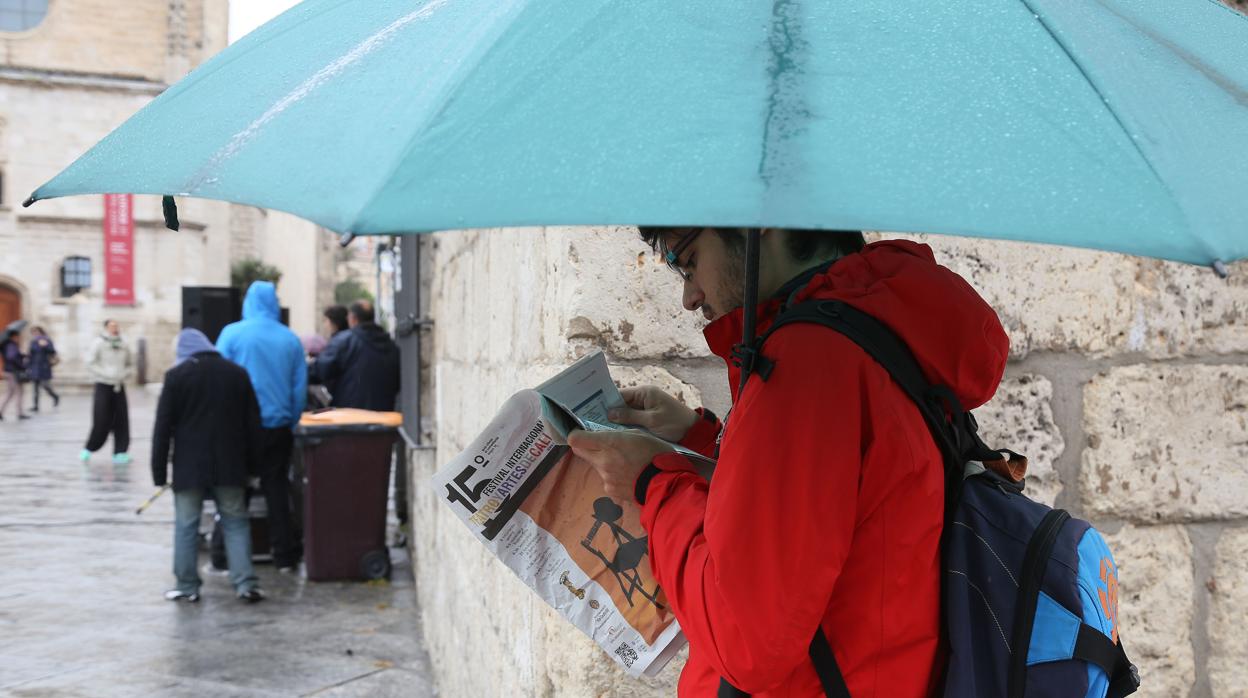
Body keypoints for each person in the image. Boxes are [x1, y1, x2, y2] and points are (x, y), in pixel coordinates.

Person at [567, 227, 1008, 696]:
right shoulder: (871, 323)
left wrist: (653, 482)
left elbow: (745, 641)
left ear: (760, 225)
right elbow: (837, 497)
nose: (689, 297)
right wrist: (700, 441)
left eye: (689, 259)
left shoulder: (808, 362)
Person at [152, 329, 266, 603]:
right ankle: (244, 583)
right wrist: (254, 468)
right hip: (230, 465)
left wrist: (158, 472)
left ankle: (187, 585)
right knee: (235, 522)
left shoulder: (176, 377)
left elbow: (163, 428)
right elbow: (253, 425)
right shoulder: (237, 374)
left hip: (189, 467)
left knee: (186, 525)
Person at [216, 281, 307, 572]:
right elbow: (299, 390)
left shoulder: (231, 334)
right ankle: (284, 556)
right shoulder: (290, 340)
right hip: (277, 427)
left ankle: (223, 554)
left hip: (239, 429)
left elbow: (219, 381)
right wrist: (290, 421)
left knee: (234, 494)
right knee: (277, 491)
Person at [311, 300, 400, 411]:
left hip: (351, 417)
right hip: (384, 417)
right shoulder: (392, 346)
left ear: (352, 318)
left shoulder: (344, 341)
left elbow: (320, 370)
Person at [82, 319, 133, 463]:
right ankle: (90, 447)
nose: (114, 328)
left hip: (119, 384)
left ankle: (120, 451)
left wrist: (124, 374)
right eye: (111, 326)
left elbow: (130, 362)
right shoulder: (99, 343)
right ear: (106, 328)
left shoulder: (124, 342)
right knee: (101, 418)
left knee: (121, 419)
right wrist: (105, 374)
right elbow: (90, 362)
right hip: (103, 384)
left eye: (116, 325)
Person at [27, 326, 60, 412]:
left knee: (45, 385)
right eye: (33, 332)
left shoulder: (47, 340)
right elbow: (30, 355)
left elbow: (53, 351)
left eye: (37, 332)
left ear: (41, 332)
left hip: (44, 367)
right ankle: (35, 406)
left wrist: (45, 345)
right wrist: (27, 366)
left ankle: (55, 396)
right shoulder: (33, 342)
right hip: (34, 367)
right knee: (35, 387)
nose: (35, 334)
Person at [0, 328, 29, 421]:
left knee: (10, 392)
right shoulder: (11, 345)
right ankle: (19, 413)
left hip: (9, 371)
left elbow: (12, 356)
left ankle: (2, 411)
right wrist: (22, 365)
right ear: (14, 336)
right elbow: (11, 357)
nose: (19, 338)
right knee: (19, 392)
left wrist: (22, 355)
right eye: (18, 336)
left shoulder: (7, 345)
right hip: (13, 372)